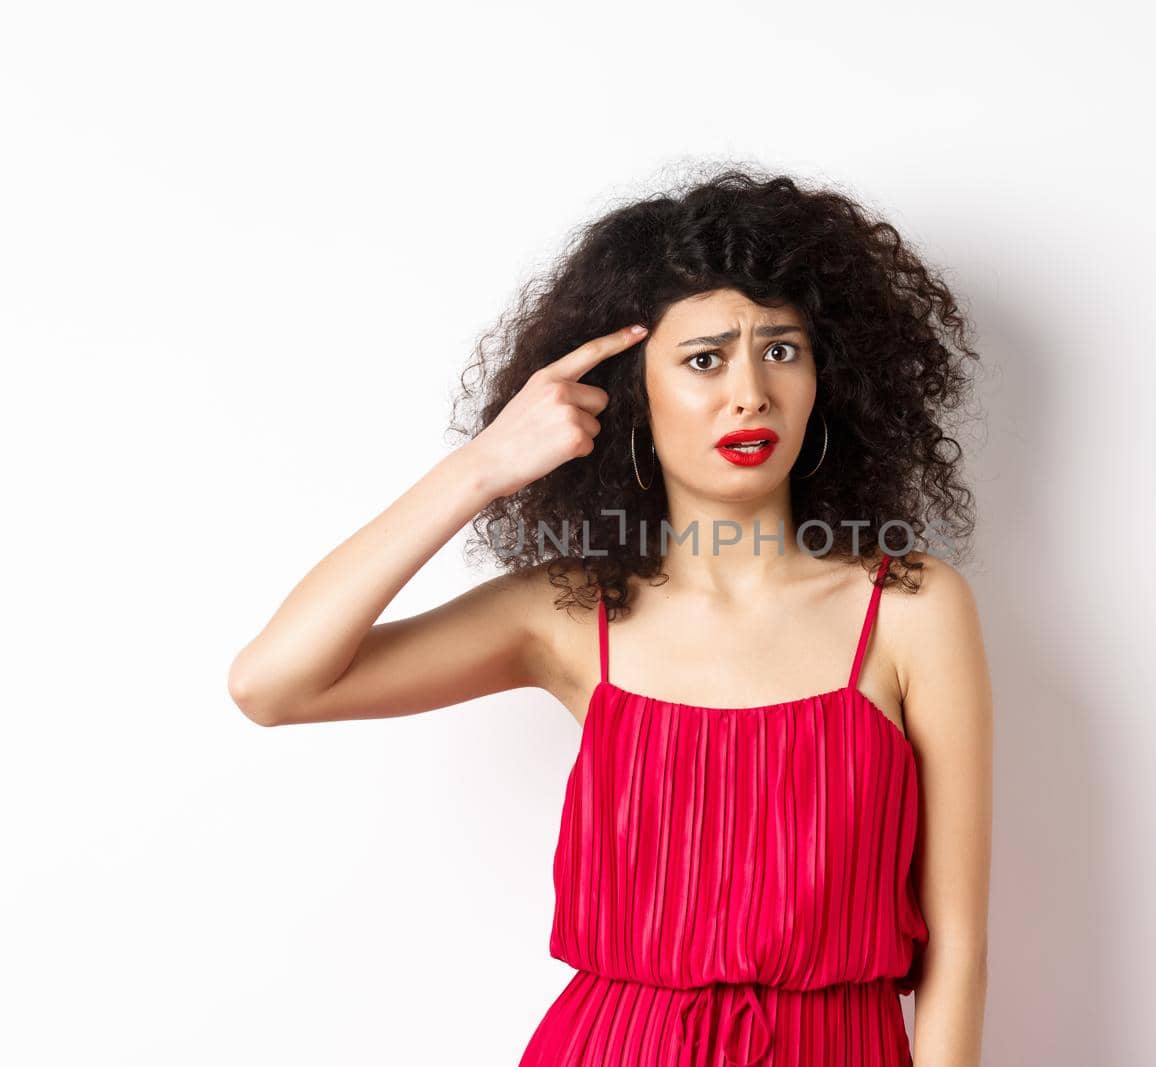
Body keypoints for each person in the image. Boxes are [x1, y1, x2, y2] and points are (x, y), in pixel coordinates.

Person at [228, 166, 993, 1065]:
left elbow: (960, 945)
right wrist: (480, 468)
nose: (750, 392)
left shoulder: (909, 605)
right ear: (634, 392)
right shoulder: (568, 614)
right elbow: (273, 684)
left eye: (780, 349)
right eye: (705, 358)